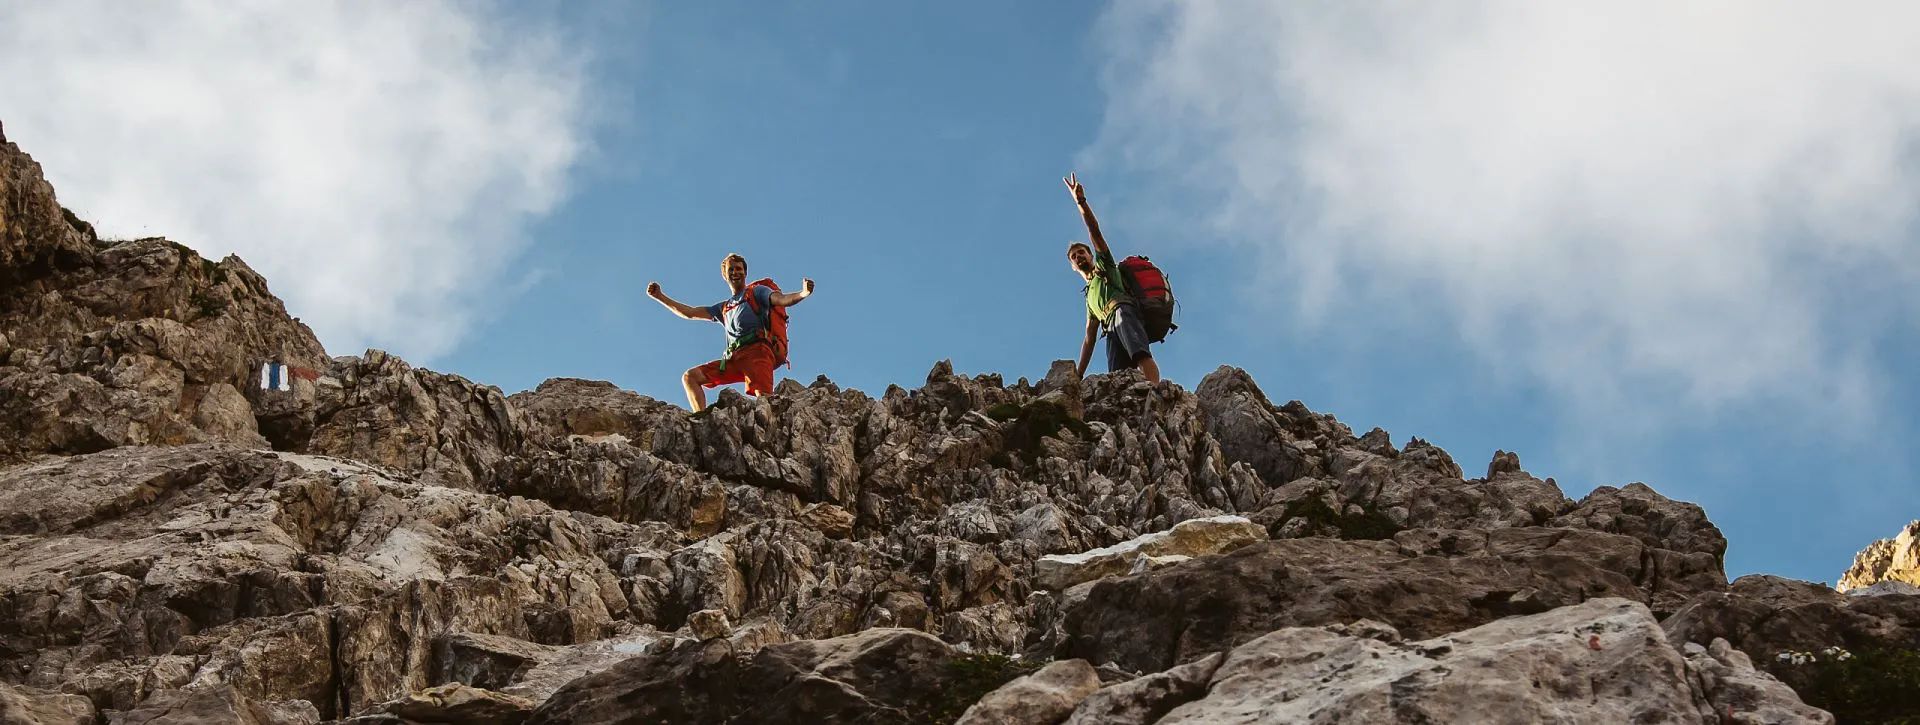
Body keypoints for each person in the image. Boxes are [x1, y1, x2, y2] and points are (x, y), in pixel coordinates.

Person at [647, 253, 815, 412]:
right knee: (690, 377)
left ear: (745, 272)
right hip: (733, 358)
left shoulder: (757, 292)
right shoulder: (724, 308)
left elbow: (782, 299)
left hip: (758, 354)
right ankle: (700, 418)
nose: (735, 272)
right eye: (731, 269)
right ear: (725, 275)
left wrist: (803, 293)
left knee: (765, 405)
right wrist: (660, 297)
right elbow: (690, 313)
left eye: (739, 269)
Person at [1064, 173, 1161, 383]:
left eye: (1082, 252)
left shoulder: (1105, 266)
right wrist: (1078, 375)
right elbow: (1089, 339)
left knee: (1140, 353)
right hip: (1110, 330)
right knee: (1117, 378)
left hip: (1123, 311)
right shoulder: (1090, 296)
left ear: (1091, 255)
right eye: (1074, 256)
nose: (1079, 256)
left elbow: (1095, 232)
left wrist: (1081, 202)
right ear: (1073, 267)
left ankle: (1156, 391)